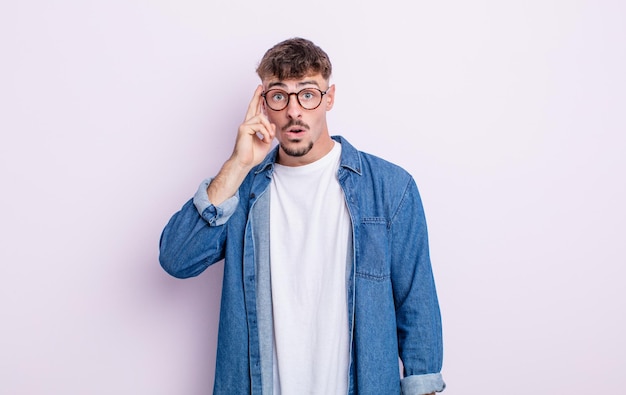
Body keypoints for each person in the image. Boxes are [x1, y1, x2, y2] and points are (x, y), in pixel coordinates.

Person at [159, 37, 445, 395]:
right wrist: (237, 164)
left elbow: (416, 301)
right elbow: (176, 259)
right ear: (262, 103)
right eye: (279, 95)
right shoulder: (243, 192)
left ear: (329, 98)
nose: (294, 111)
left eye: (307, 94)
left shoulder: (389, 188)